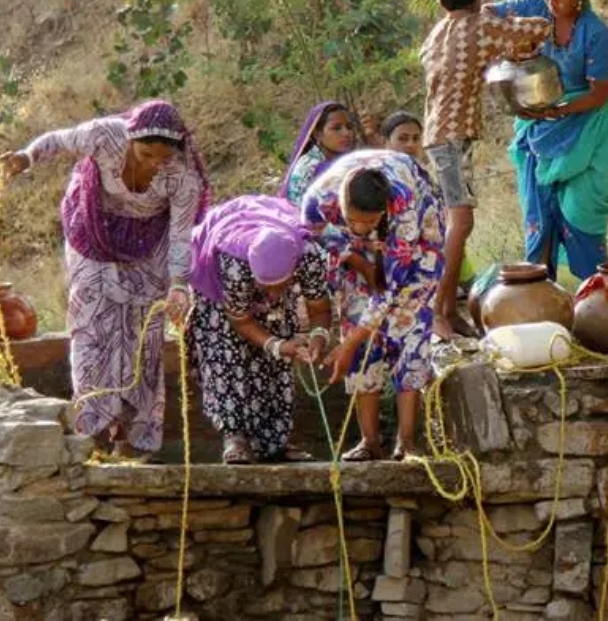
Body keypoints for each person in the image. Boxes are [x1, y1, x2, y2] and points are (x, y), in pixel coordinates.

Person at [0, 100, 212, 460]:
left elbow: (179, 236)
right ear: (130, 139)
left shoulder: (182, 175)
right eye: (145, 154)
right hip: (93, 232)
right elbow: (58, 141)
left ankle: (129, 435)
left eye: (162, 158)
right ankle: (92, 429)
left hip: (150, 243)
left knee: (142, 334)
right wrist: (26, 157)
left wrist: (178, 285)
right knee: (93, 328)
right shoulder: (105, 135)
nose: (153, 164)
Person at [420, 0, 553, 338]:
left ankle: (448, 308)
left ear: (440, 1)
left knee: (462, 222)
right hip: (451, 136)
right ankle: (437, 312)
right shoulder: (480, 25)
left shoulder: (438, 32)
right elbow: (537, 28)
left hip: (440, 134)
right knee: (460, 222)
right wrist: (503, 16)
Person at [485, 0, 608, 282]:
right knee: (540, 213)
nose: (552, 0)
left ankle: (598, 291)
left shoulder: (596, 33)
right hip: (540, 127)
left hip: (588, 126)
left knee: (579, 211)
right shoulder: (535, 10)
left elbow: (599, 94)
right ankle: (539, 291)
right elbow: (486, 13)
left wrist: (559, 111)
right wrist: (513, 43)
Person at [301, 149, 445, 462]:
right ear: (341, 205)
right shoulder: (317, 200)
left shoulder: (404, 207)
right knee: (356, 322)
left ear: (384, 211)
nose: (362, 226)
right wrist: (357, 255)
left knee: (410, 330)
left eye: (370, 221)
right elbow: (314, 238)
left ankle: (406, 441)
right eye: (354, 219)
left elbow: (392, 286)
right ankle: (369, 442)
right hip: (353, 254)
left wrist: (351, 344)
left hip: (417, 247)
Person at [187, 195, 333, 464]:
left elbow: (320, 308)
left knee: (279, 341)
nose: (273, 293)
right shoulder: (234, 267)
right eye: (266, 286)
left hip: (266, 254)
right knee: (226, 351)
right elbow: (240, 319)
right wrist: (274, 344)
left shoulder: (309, 257)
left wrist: (318, 338)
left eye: (280, 284)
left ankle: (274, 441)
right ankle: (235, 438)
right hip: (219, 288)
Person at [383, 110, 478, 303]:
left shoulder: (424, 173)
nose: (410, 144)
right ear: (386, 142)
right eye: (402, 139)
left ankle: (458, 281)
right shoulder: (383, 178)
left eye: (416, 138)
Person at [279, 102, 380, 206]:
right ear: (318, 135)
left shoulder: (351, 161)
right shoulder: (307, 168)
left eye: (349, 127)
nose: (346, 133)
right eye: (337, 128)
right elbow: (299, 212)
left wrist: (372, 138)